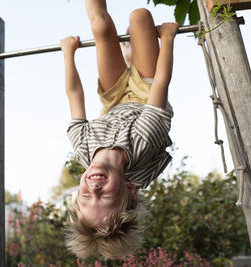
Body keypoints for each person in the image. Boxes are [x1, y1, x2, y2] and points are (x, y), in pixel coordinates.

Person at [61, 0, 179, 260]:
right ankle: (133, 55)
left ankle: (129, 55)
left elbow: (74, 95)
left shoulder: (83, 149)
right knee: (139, 17)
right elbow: (161, 82)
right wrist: (168, 39)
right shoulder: (143, 143)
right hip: (147, 93)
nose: (94, 191)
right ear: (130, 191)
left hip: (113, 101)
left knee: (102, 27)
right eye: (103, 199)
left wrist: (68, 54)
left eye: (85, 198)